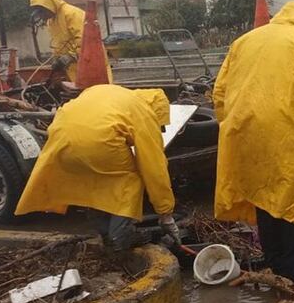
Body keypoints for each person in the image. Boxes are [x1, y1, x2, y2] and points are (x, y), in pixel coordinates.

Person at [213, 1, 294, 286]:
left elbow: (219, 93)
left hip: (240, 130)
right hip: (283, 131)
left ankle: (275, 265)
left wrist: (232, 127)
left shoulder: (243, 42)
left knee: (264, 196)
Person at [15, 84, 178, 251]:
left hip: (60, 140)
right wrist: (165, 213)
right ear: (157, 112)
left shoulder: (109, 92)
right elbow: (153, 166)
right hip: (99, 143)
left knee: (92, 181)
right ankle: (119, 237)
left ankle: (105, 233)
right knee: (130, 180)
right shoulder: (144, 111)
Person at [28, 0, 113, 83]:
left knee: (99, 90)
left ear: (48, 6)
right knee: (81, 91)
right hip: (75, 68)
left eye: (41, 12)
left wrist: (71, 56)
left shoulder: (71, 14)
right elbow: (58, 43)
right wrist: (57, 58)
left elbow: (86, 39)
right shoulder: (51, 21)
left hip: (92, 62)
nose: (41, 17)